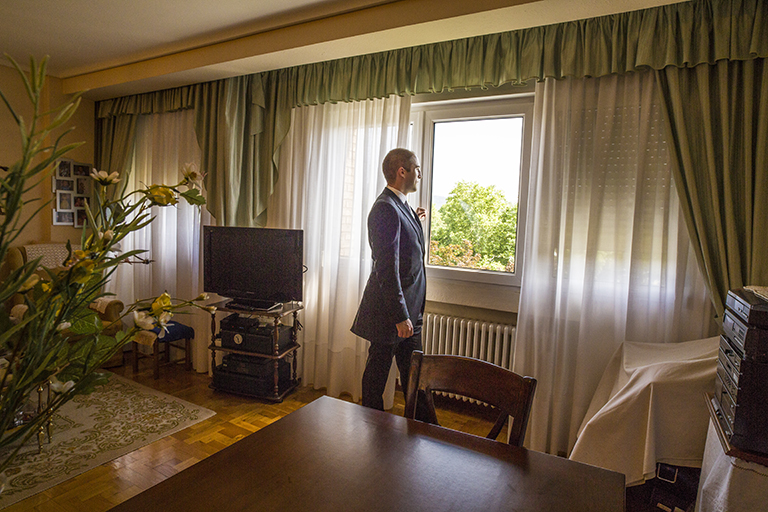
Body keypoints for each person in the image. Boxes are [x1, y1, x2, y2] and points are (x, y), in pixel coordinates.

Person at [352, 148, 427, 411]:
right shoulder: (385, 208)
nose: (420, 174)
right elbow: (386, 268)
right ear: (402, 171)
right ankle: (371, 427)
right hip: (391, 315)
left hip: (409, 312)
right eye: (417, 169)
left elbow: (404, 247)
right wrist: (400, 316)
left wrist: (415, 220)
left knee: (416, 378)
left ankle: (424, 428)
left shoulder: (400, 206)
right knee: (376, 379)